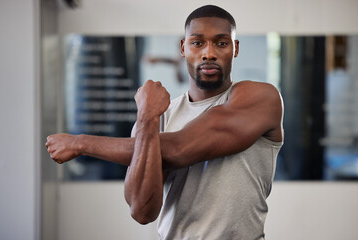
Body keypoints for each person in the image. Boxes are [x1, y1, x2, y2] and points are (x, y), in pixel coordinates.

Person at [46, 5, 284, 239]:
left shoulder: (260, 98)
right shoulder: (160, 117)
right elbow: (142, 211)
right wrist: (147, 118)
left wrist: (81, 143)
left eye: (221, 43)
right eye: (197, 42)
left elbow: (179, 148)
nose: (209, 53)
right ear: (183, 47)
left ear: (235, 48)